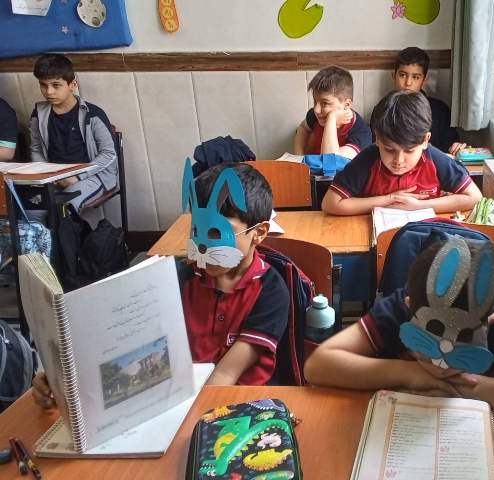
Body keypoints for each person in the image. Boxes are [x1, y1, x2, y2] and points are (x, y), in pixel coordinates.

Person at [32, 163, 291, 408]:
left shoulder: (271, 291)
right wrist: (63, 376)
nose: (204, 245)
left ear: (259, 233)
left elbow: (226, 374)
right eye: (197, 230)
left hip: (242, 406)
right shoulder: (178, 277)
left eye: (217, 233)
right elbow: (123, 337)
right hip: (178, 398)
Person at [305, 237, 494, 427]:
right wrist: (412, 373)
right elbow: (318, 365)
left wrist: (472, 387)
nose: (442, 359)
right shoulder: (398, 307)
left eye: (464, 339)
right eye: (431, 336)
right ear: (409, 307)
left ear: (489, 321)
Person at [321, 90, 481, 215]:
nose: (399, 160)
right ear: (377, 139)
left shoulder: (435, 159)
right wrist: (389, 199)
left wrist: (419, 206)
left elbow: (474, 197)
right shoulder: (368, 159)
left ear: (425, 141)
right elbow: (329, 203)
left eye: (409, 151)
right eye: (389, 149)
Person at [29, 53, 117, 213]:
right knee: (29, 207)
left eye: (56, 85)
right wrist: (46, 176)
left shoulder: (93, 114)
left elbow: (108, 154)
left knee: (63, 208)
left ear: (72, 84)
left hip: (92, 177)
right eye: (43, 85)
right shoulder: (38, 114)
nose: (49, 92)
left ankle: (79, 229)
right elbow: (36, 149)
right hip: (53, 178)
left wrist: (77, 177)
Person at [392, 47, 466, 155]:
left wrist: (457, 148)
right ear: (394, 76)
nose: (408, 82)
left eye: (415, 77)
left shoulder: (440, 111)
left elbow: (451, 147)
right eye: (402, 75)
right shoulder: (384, 110)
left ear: (424, 80)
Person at [293, 65, 372, 159]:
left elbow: (330, 161)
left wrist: (332, 118)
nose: (316, 110)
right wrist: (298, 157)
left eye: (325, 103)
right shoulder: (316, 115)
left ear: (347, 105)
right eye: (315, 101)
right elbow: (303, 127)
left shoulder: (361, 132)